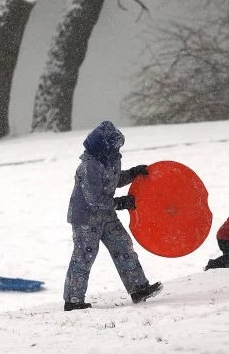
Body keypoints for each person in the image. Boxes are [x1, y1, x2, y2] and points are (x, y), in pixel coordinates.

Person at [64, 121, 162, 311]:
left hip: (106, 215)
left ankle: (138, 287)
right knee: (84, 256)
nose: (118, 149)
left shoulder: (111, 159)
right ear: (103, 145)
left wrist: (133, 174)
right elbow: (94, 198)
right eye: (114, 145)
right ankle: (73, 300)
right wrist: (120, 203)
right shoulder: (88, 166)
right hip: (86, 217)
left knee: (123, 245)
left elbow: (114, 180)